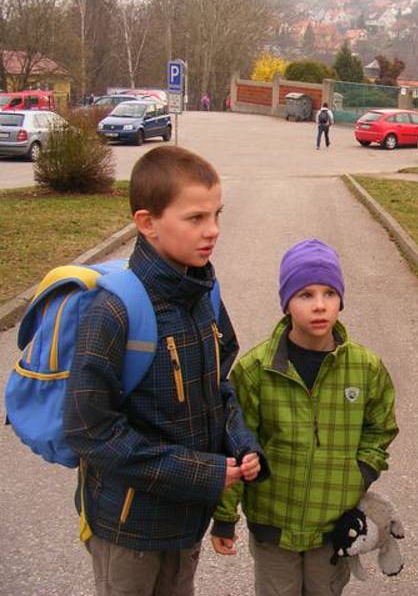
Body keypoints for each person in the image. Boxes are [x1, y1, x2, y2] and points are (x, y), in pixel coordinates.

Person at [63, 145, 269, 596]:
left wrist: (240, 444)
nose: (212, 230)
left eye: (217, 214)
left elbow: (219, 388)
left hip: (185, 523)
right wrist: (203, 474)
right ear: (147, 223)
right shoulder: (115, 311)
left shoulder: (203, 295)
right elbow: (89, 432)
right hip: (129, 529)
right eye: (195, 218)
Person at [210, 238, 399, 596]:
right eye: (305, 295)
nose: (319, 306)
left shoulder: (366, 368)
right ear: (286, 303)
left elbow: (381, 428)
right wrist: (224, 515)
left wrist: (360, 473)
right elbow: (233, 443)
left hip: (331, 525)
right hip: (273, 524)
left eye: (329, 293)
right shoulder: (255, 371)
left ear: (341, 298)